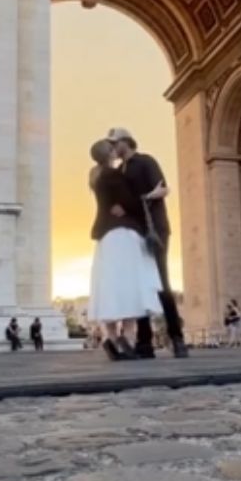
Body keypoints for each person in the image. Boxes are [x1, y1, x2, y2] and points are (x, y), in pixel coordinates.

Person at [107, 126, 187, 359]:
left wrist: (144, 198)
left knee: (161, 281)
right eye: (110, 145)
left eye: (115, 143)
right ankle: (144, 343)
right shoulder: (119, 170)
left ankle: (177, 337)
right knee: (140, 286)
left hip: (155, 230)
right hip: (134, 233)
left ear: (127, 142)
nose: (112, 147)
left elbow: (163, 189)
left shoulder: (146, 161)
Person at [87, 138, 162, 361]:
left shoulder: (96, 177)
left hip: (104, 236)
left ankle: (110, 337)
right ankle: (127, 339)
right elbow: (129, 202)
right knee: (130, 285)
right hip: (124, 233)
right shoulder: (114, 175)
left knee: (110, 286)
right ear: (110, 153)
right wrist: (151, 194)